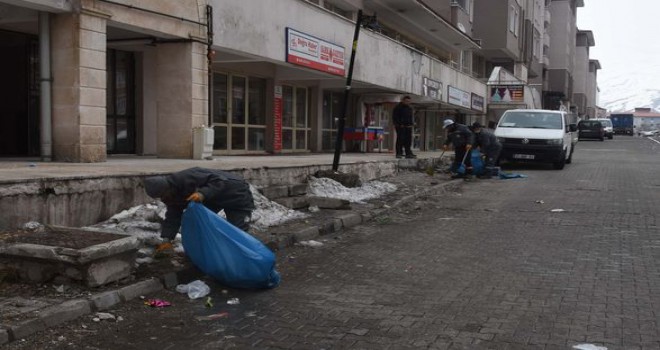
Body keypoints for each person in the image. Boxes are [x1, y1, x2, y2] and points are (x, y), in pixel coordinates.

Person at [143, 167, 255, 252]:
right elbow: (173, 215)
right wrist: (167, 239)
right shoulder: (170, 196)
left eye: (164, 194)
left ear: (168, 187)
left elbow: (220, 181)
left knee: (237, 230)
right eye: (160, 196)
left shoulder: (187, 176)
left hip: (234, 192)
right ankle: (209, 251)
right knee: (196, 221)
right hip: (213, 198)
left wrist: (202, 193)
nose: (163, 198)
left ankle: (242, 256)